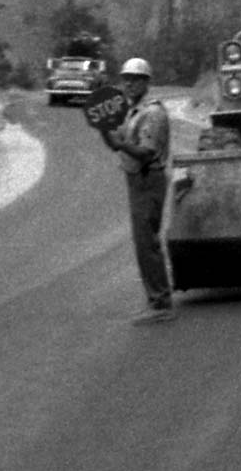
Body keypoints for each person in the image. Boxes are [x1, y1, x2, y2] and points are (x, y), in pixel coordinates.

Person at [101, 57, 175, 325]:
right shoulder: (132, 112)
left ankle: (161, 302)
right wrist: (106, 131)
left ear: (146, 82)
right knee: (143, 242)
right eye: (126, 79)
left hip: (148, 178)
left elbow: (145, 152)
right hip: (138, 179)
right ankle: (156, 299)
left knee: (147, 242)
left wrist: (119, 144)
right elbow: (116, 143)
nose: (129, 83)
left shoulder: (152, 113)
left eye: (135, 79)